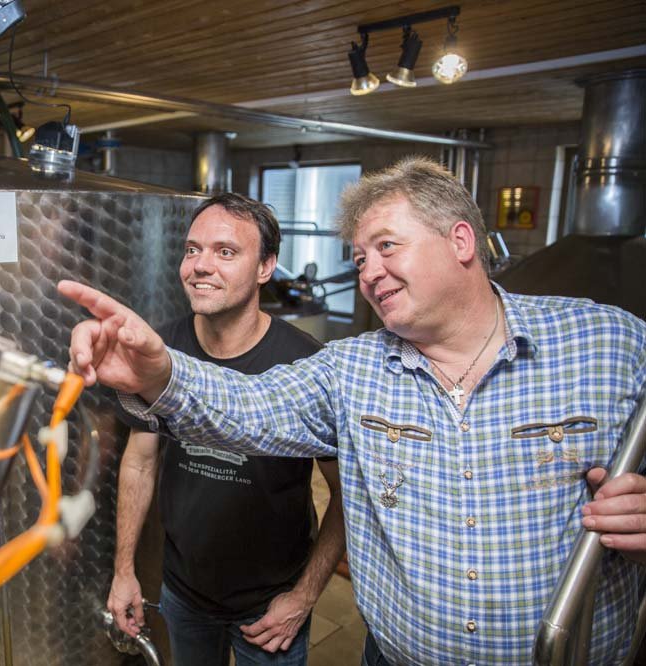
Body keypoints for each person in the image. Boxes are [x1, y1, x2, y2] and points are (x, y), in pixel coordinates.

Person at [60, 157, 646, 665]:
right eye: (360, 258)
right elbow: (250, 405)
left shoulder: (607, 342)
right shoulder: (351, 368)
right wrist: (161, 374)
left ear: (461, 241)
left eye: (385, 247)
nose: (367, 272)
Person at [106, 193, 345, 666]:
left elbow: (345, 492)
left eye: (226, 252)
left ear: (265, 267)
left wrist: (303, 596)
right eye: (192, 249)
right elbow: (140, 461)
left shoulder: (305, 362)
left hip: (270, 605)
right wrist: (124, 570)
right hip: (183, 593)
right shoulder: (161, 350)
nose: (200, 265)